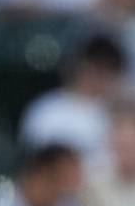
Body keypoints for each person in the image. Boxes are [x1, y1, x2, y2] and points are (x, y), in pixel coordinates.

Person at [18, 34, 126, 174]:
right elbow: (31, 159)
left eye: (108, 69)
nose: (98, 75)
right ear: (78, 66)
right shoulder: (44, 109)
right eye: (94, 67)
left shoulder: (118, 112)